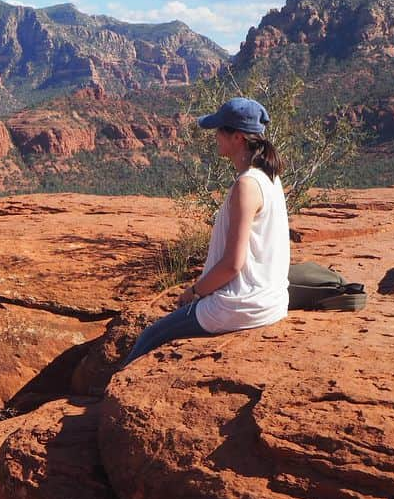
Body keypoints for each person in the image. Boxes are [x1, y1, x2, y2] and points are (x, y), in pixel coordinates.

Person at [121, 97, 290, 367]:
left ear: (237, 137)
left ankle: (109, 395)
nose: (215, 137)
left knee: (152, 335)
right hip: (271, 300)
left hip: (240, 306)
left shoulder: (246, 185)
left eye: (219, 131)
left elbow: (233, 265)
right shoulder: (269, 176)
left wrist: (195, 292)